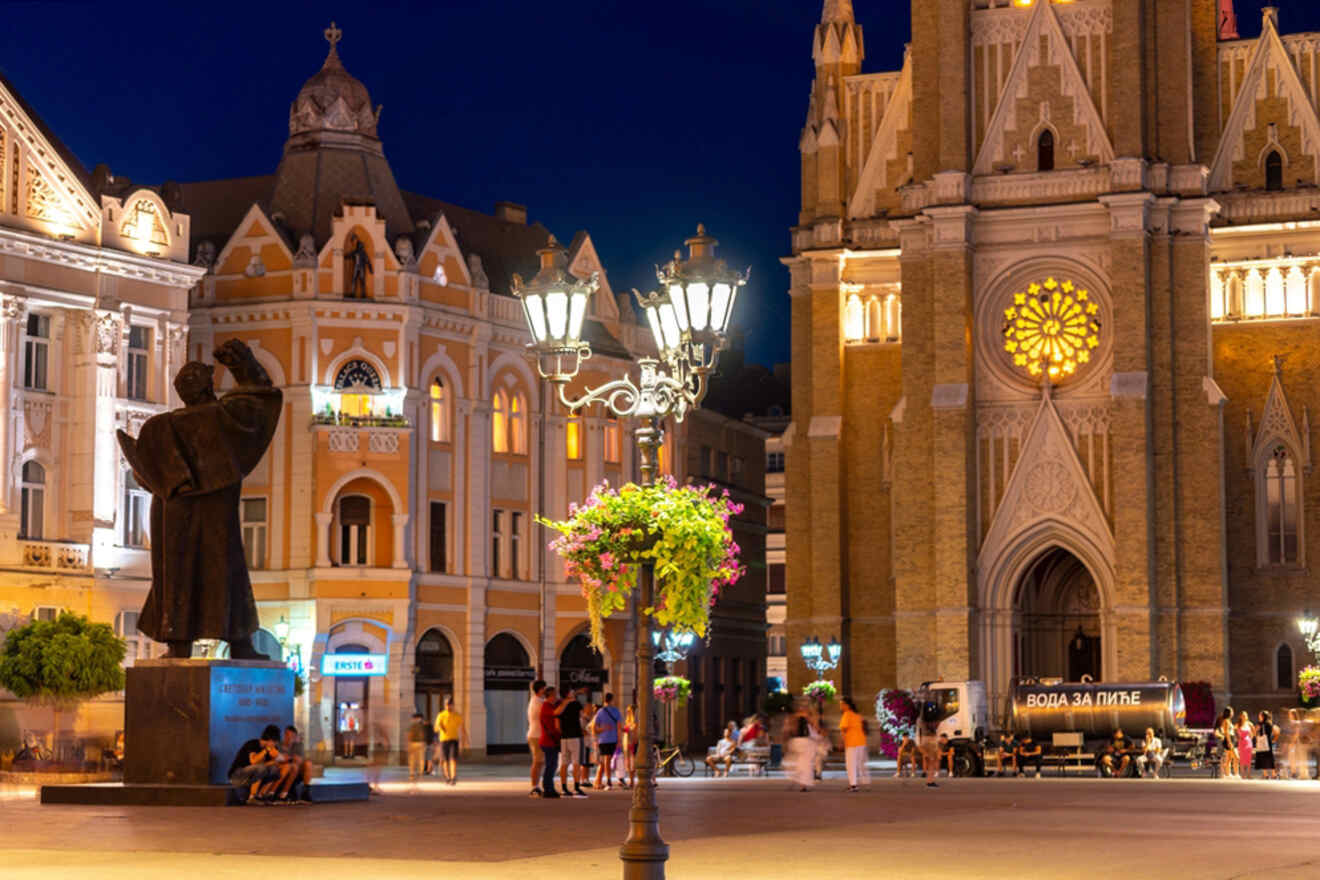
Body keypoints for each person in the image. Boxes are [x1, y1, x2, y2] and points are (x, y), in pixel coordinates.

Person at [117, 340, 282, 659]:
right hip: (218, 515)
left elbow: (143, 475)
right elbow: (261, 400)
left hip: (174, 515)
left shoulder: (159, 427)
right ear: (208, 386)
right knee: (228, 571)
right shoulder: (226, 417)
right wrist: (242, 364)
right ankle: (241, 643)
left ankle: (179, 644)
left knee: (179, 573)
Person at [227, 724, 283, 803]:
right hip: (237, 775)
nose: (275, 744)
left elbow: (269, 765)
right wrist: (266, 750)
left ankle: (262, 795)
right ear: (270, 740)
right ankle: (252, 797)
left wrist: (275, 760)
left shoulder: (272, 748)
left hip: (250, 778)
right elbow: (253, 761)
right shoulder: (253, 744)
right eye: (274, 742)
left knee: (275, 770)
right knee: (261, 768)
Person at [555, 687, 589, 798]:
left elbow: (556, 716)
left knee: (564, 763)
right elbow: (583, 716)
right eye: (571, 691)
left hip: (564, 737)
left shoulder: (560, 704)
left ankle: (564, 789)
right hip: (575, 736)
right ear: (569, 693)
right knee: (576, 763)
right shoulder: (575, 704)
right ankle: (576, 788)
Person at [434, 696, 469, 786]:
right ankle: (447, 777)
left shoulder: (457, 715)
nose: (448, 707)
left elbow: (462, 728)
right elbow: (436, 729)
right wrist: (440, 726)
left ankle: (453, 777)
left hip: (454, 740)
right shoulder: (441, 715)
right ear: (445, 705)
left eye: (450, 705)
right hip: (443, 740)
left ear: (453, 705)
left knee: (453, 759)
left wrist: (466, 739)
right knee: (445, 760)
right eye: (447, 705)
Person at [592, 693, 623, 790]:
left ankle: (608, 780)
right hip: (613, 739)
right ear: (612, 700)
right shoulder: (616, 711)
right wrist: (619, 740)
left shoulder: (600, 711)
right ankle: (609, 780)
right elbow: (619, 727)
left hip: (603, 739)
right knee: (609, 760)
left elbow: (594, 728)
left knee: (606, 760)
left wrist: (602, 729)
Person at [839, 696, 870, 792]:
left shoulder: (847, 714)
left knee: (851, 764)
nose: (840, 706)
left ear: (847, 705)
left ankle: (853, 785)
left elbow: (844, 729)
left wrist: (842, 742)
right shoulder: (857, 715)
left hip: (852, 743)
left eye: (842, 704)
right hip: (861, 742)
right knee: (859, 763)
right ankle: (859, 782)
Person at [538, 686, 562, 799]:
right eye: (555, 694)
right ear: (550, 696)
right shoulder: (546, 706)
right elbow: (555, 713)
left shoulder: (551, 705)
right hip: (548, 741)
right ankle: (548, 788)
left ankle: (549, 788)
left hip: (552, 741)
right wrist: (565, 702)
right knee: (550, 765)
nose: (556, 696)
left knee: (553, 765)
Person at [278, 725, 313, 800]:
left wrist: (290, 758)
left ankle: (306, 791)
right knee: (292, 766)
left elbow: (299, 760)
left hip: (296, 769)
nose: (289, 738)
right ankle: (283, 794)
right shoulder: (279, 745)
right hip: (284, 769)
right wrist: (291, 758)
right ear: (284, 735)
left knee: (308, 763)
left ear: (295, 736)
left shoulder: (298, 745)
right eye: (287, 735)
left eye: (292, 736)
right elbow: (279, 759)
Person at [785, 705, 815, 791]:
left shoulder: (800, 718)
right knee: (804, 764)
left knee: (803, 764)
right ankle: (803, 783)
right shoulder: (798, 718)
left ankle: (803, 784)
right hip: (801, 741)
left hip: (803, 741)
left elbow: (790, 729)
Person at [527, 679, 547, 797]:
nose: (546, 691)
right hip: (536, 735)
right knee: (537, 761)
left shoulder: (536, 700)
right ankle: (534, 787)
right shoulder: (538, 702)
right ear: (540, 689)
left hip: (535, 734)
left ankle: (536, 786)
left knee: (539, 762)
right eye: (545, 688)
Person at [1254, 711, 1277, 780]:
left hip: (1262, 742)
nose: (1259, 716)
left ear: (1262, 716)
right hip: (1268, 742)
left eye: (1260, 715)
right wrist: (1274, 740)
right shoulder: (1270, 723)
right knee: (1270, 758)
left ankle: (1265, 774)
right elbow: (1276, 731)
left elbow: (1255, 732)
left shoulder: (1260, 724)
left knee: (1262, 757)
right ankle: (1273, 774)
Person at [1217, 707, 1239, 779]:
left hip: (1231, 739)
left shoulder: (1228, 720)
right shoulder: (1226, 721)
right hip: (1228, 740)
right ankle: (1236, 774)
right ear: (1229, 713)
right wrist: (1229, 742)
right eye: (1232, 711)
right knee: (1236, 757)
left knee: (1229, 758)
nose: (1233, 713)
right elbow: (1226, 732)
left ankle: (1228, 774)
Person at [406, 712, 428, 782]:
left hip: (416, 743)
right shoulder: (423, 725)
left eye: (414, 718)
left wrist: (408, 743)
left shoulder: (413, 725)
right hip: (418, 743)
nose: (413, 719)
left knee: (415, 759)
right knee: (419, 759)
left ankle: (414, 773)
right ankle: (417, 772)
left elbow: (408, 734)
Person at [621, 705, 639, 789]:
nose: (627, 713)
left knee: (632, 763)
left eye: (629, 711)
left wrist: (625, 730)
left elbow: (634, 731)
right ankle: (631, 781)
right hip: (627, 743)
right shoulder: (628, 721)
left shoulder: (635, 721)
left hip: (632, 743)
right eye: (627, 711)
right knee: (628, 763)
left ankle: (632, 782)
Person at [1237, 710, 1255, 779]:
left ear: (1246, 716)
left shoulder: (1249, 724)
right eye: (1242, 716)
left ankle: (1248, 774)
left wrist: (1251, 737)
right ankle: (1242, 774)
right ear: (1240, 716)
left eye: (1245, 715)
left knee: (1248, 759)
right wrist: (1238, 738)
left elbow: (1253, 732)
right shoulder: (1238, 724)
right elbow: (1235, 732)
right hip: (1241, 742)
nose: (1243, 717)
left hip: (1248, 742)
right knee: (1242, 759)